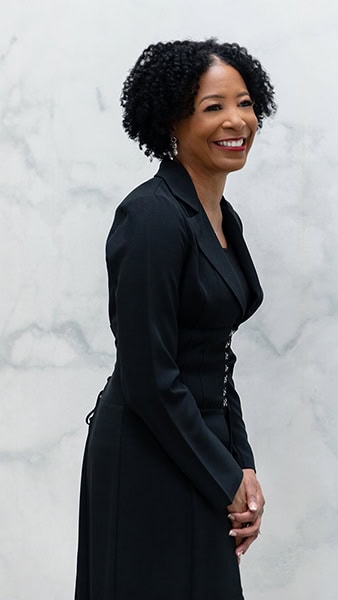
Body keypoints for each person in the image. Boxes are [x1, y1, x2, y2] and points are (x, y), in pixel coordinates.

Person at [74, 39, 276, 600]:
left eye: (244, 102)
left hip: (198, 444)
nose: (236, 119)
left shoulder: (221, 218)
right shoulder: (152, 217)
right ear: (172, 121)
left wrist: (242, 465)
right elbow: (151, 375)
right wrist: (225, 477)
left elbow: (216, 356)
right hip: (145, 452)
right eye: (213, 106)